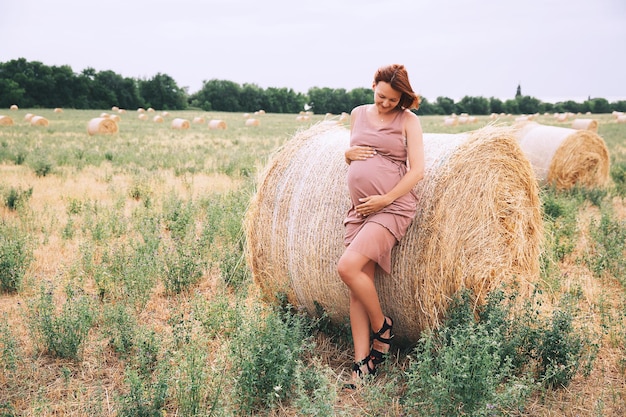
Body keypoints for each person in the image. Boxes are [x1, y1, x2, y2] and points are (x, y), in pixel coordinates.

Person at [337, 64, 424, 384]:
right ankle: (362, 366)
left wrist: (384, 199)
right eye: (381, 96)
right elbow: (355, 154)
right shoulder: (358, 113)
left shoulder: (408, 120)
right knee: (357, 289)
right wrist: (348, 154)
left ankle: (382, 328)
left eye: (393, 100)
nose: (386, 103)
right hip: (359, 210)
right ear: (373, 85)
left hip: (391, 207)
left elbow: (417, 171)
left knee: (347, 268)